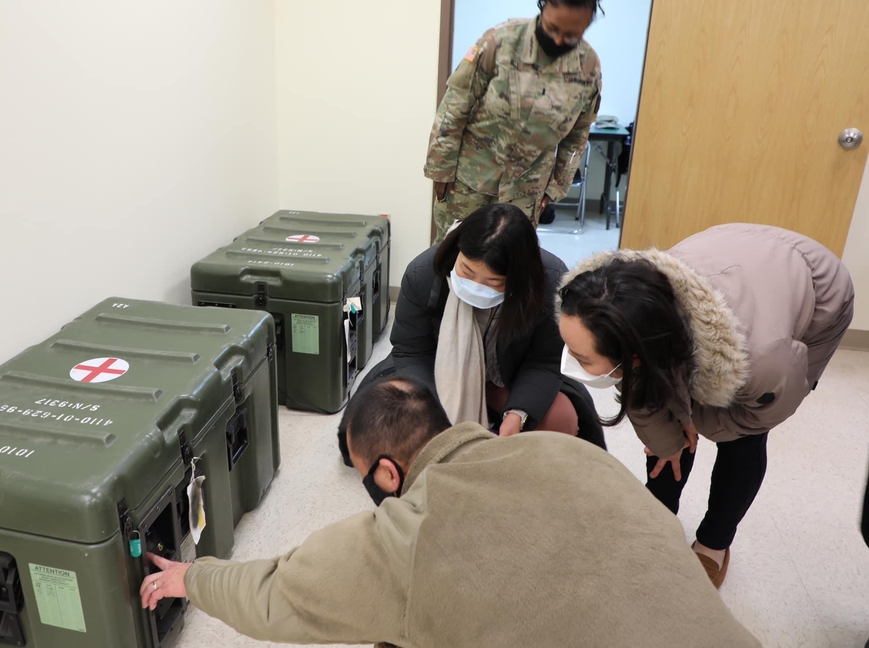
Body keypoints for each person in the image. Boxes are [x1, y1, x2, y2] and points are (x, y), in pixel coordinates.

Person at [140, 376, 760, 647]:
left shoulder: (410, 536)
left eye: (363, 477)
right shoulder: (563, 451)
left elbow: (281, 594)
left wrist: (190, 577)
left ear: (388, 473)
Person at [557, 223, 855, 587]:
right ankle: (657, 519)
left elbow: (761, 412)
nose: (569, 361)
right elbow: (642, 391)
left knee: (740, 440)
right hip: (729, 253)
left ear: (634, 354)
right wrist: (669, 440)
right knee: (667, 424)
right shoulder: (630, 307)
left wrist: (694, 419)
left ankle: (715, 540)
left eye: (581, 357)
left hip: (817, 287)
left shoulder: (763, 360)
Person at [338, 204, 604, 467]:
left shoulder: (550, 281)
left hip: (511, 375)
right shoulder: (423, 273)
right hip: (438, 371)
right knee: (376, 428)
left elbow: (544, 361)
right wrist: (431, 410)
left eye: (493, 282)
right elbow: (411, 351)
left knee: (560, 419)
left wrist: (518, 415)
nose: (476, 286)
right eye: (466, 271)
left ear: (519, 277)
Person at [425, 0, 605, 241]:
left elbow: (578, 136)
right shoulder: (501, 41)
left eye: (570, 35)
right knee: (450, 253)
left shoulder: (588, 67)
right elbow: (455, 103)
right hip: (470, 178)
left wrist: (554, 188)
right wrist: (441, 167)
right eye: (552, 28)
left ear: (587, 25)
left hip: (527, 187)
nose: (557, 41)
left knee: (508, 263)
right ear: (543, 8)